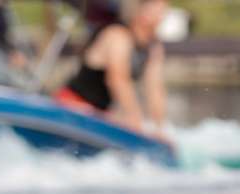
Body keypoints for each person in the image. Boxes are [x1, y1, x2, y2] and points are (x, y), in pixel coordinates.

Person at [56, 0, 168, 135]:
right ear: (142, 12)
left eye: (163, 10)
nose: (162, 15)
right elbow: (117, 81)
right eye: (158, 10)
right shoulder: (117, 36)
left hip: (99, 113)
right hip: (71, 105)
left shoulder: (153, 47)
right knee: (127, 121)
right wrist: (135, 120)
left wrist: (160, 128)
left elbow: (155, 90)